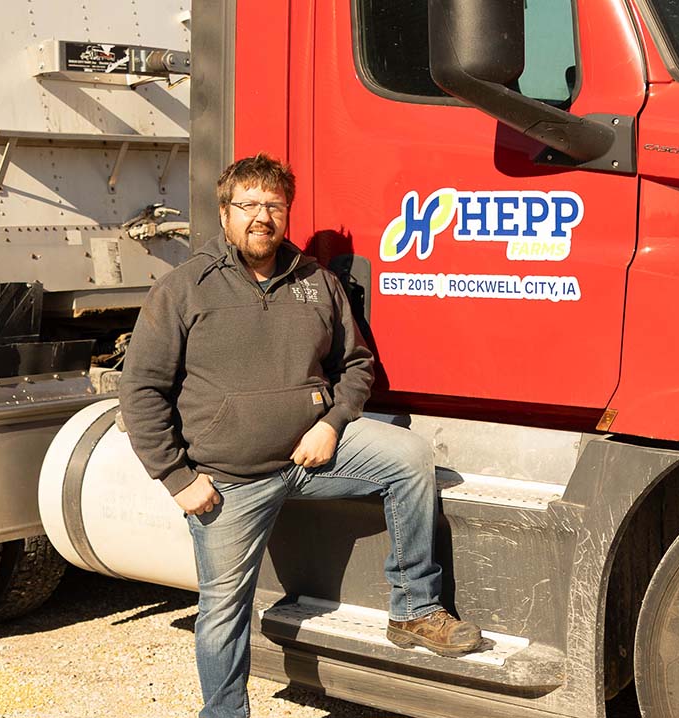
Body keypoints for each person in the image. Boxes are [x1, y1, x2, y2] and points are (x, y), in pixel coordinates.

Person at [118, 154, 482, 718]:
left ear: (287, 213)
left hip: (311, 457)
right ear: (224, 212)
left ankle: (414, 608)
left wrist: (331, 424)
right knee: (222, 611)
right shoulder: (183, 289)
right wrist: (177, 478)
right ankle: (224, 713)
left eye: (274, 205)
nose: (261, 217)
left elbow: (356, 365)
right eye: (248, 205)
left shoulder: (318, 281)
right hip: (229, 481)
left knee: (409, 456)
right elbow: (141, 390)